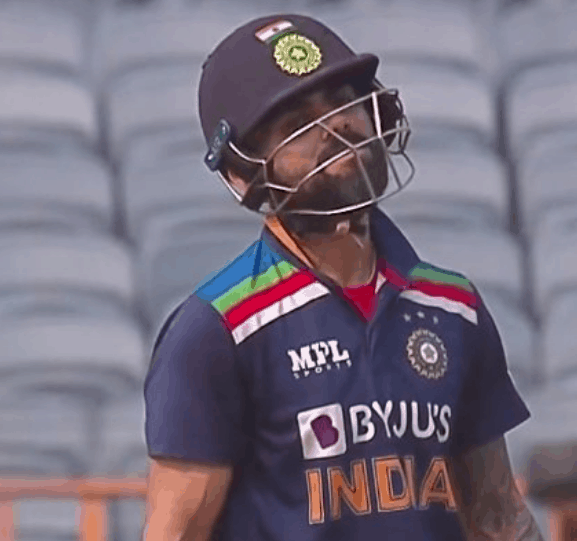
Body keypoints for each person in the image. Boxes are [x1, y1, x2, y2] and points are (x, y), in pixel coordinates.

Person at [141, 13, 544, 541]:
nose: (337, 128)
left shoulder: (453, 306)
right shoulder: (216, 330)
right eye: (297, 123)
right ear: (243, 172)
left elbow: (497, 517)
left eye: (344, 102)